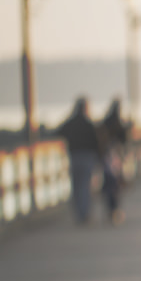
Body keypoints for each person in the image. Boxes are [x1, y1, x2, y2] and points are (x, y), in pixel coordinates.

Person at [56, 96, 100, 225]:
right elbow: (96, 141)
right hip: (87, 158)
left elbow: (59, 131)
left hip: (74, 157)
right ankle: (85, 214)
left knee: (76, 187)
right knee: (85, 187)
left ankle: (79, 214)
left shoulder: (71, 122)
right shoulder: (88, 123)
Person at [98, 97, 130, 224]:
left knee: (109, 185)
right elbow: (124, 139)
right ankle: (115, 210)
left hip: (107, 158)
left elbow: (99, 138)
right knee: (116, 186)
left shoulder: (106, 121)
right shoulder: (119, 122)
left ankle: (111, 210)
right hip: (115, 157)